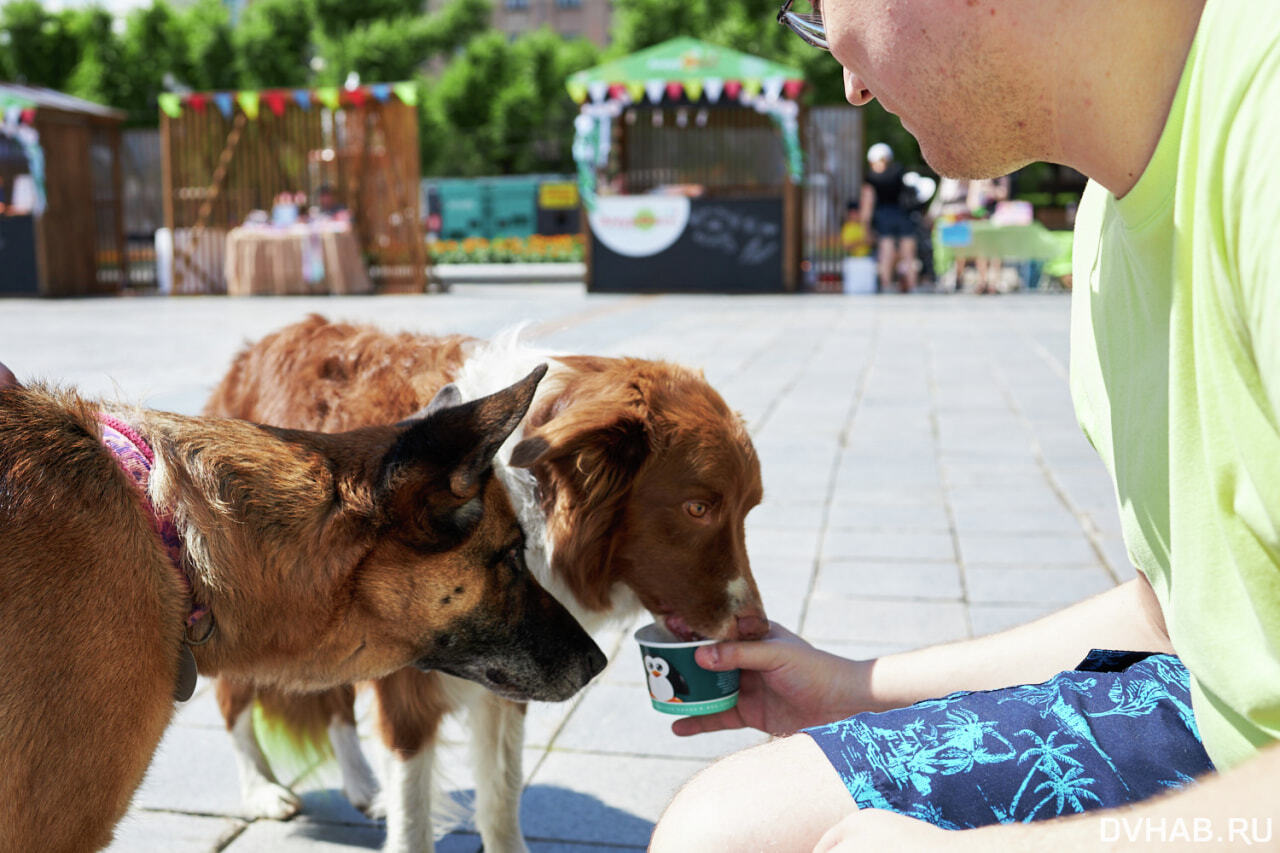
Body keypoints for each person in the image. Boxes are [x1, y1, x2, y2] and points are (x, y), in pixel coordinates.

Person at [651, 0, 1280, 849]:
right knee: (727, 831)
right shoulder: (1106, 219)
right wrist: (853, 686)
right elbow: (1182, 612)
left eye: (822, 7)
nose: (848, 76)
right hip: (1209, 710)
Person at [860, 142, 918, 292]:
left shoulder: (871, 178)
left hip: (884, 216)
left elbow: (868, 205)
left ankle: (886, 285)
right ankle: (912, 285)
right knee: (909, 254)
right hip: (903, 215)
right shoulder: (899, 171)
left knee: (886, 252)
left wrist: (865, 226)